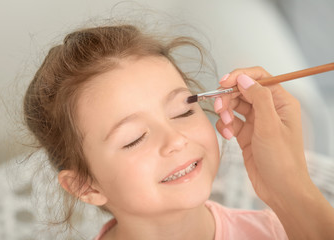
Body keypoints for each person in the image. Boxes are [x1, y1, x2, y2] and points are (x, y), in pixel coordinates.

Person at [23, 23, 334, 240]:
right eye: (134, 139)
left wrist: (290, 187)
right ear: (84, 185)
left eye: (183, 111)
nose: (175, 140)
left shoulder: (284, 233)